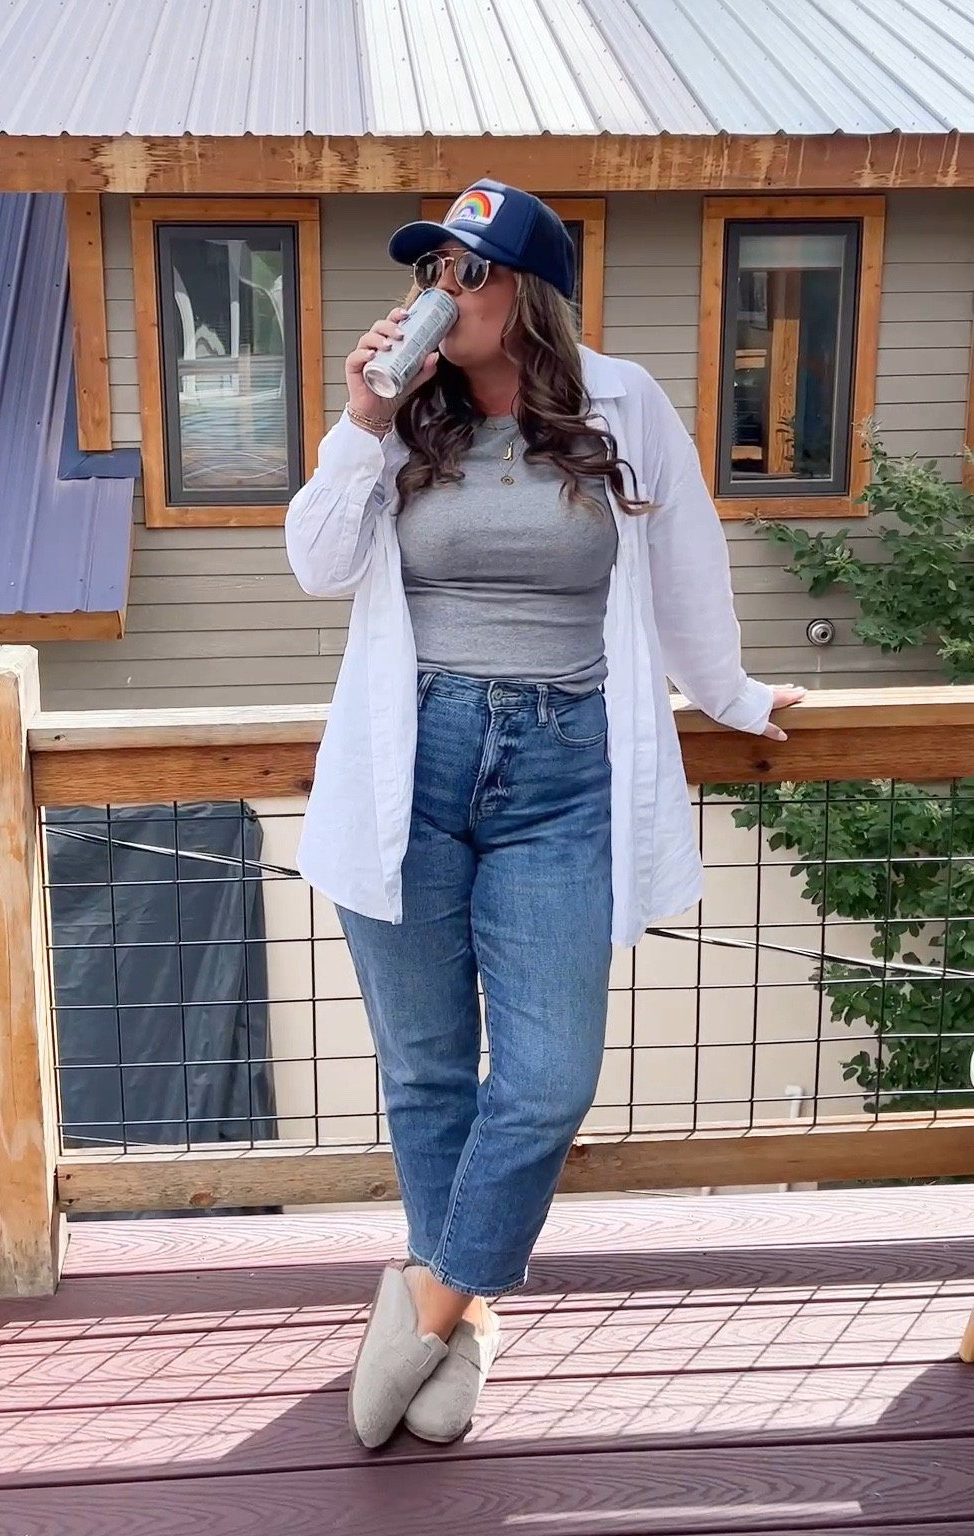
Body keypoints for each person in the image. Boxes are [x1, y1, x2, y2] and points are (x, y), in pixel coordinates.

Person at [285, 180, 803, 1449]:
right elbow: (316, 564)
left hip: (565, 772)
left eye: (468, 273)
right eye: (431, 272)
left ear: (530, 293)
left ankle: (428, 1300)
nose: (440, 294)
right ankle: (459, 1324)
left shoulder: (623, 404)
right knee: (424, 1071)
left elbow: (686, 567)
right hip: (411, 761)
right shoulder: (404, 415)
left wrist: (733, 695)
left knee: (549, 1077)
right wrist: (361, 422)